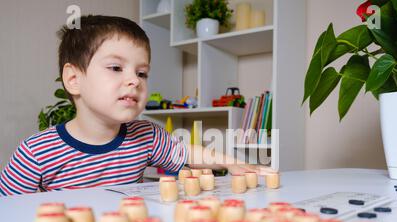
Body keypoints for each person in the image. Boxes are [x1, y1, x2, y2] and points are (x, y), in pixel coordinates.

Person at [0, 15, 273, 196]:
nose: (134, 81)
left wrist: (234, 163)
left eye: (142, 73)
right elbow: (8, 215)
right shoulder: (35, 152)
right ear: (73, 79)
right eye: (116, 67)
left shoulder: (145, 135)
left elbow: (186, 152)